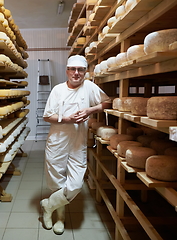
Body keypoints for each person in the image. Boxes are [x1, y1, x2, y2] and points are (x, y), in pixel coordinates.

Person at [40, 55, 110, 235]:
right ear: (67, 70)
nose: (76, 73)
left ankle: (48, 206)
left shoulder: (90, 87)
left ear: (85, 72)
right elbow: (47, 116)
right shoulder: (57, 90)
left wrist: (90, 109)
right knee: (57, 183)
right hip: (57, 142)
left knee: (76, 184)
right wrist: (66, 119)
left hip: (78, 143)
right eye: (72, 69)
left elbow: (107, 102)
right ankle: (60, 218)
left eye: (80, 70)